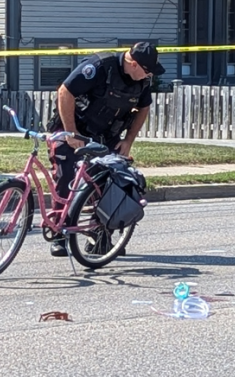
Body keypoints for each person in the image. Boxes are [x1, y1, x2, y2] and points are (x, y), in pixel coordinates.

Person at [46, 41, 165, 256]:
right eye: (147, 71)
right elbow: (65, 92)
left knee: (107, 185)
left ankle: (100, 238)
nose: (149, 77)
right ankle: (59, 235)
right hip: (73, 129)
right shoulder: (100, 66)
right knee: (65, 176)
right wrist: (72, 133)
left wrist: (128, 140)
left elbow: (143, 108)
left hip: (105, 136)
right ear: (134, 63)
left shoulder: (142, 82)